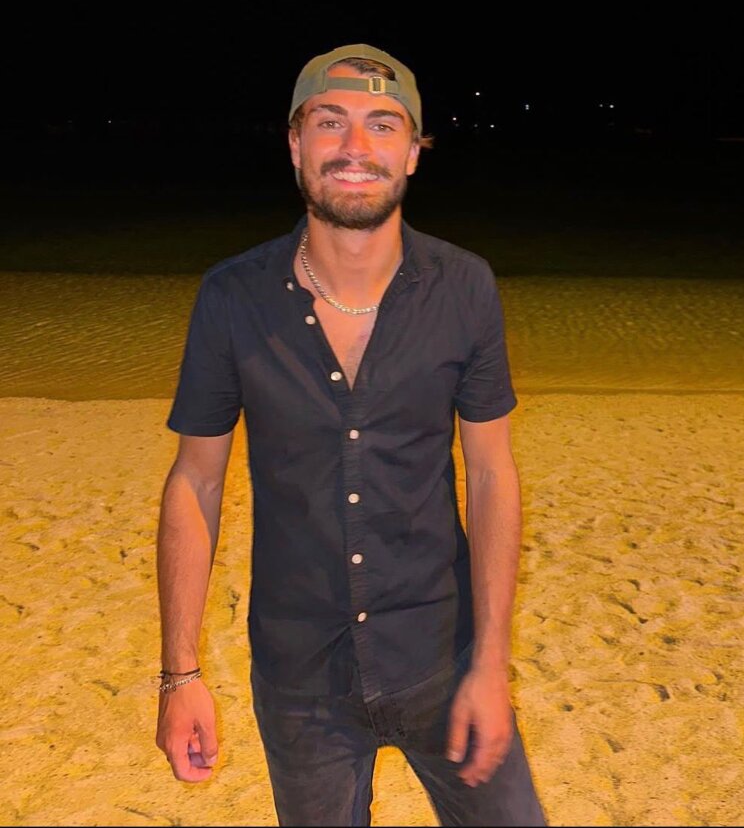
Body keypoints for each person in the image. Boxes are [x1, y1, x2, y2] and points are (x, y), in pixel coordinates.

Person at [155, 44, 546, 827]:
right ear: (295, 144)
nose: (355, 147)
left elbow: (491, 473)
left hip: (443, 658)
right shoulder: (233, 297)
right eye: (329, 122)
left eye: (382, 124)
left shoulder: (464, 287)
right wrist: (179, 675)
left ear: (413, 151)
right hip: (300, 681)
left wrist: (491, 664)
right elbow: (195, 481)